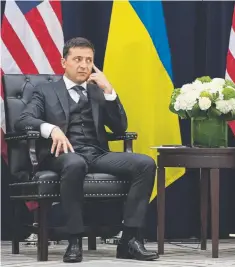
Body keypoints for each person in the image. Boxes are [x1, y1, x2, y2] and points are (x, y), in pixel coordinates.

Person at [15, 37, 159, 263]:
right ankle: (74, 240)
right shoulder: (45, 91)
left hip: (97, 153)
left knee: (145, 163)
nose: (84, 65)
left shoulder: (97, 92)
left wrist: (110, 91)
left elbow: (120, 127)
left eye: (89, 61)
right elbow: (23, 120)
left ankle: (129, 239)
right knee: (75, 163)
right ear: (64, 62)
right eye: (78, 59)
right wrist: (51, 129)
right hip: (60, 156)